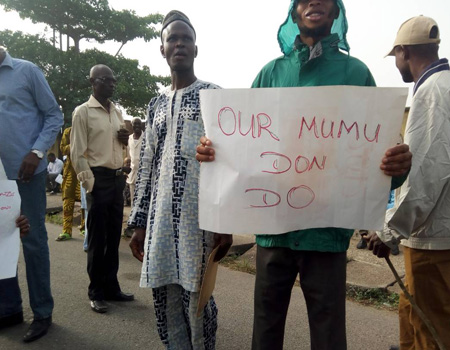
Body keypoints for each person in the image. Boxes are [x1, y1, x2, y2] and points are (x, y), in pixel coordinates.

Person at [196, 1, 412, 349]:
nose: (315, 2)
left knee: (328, 337)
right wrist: (212, 154)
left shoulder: (356, 75)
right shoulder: (270, 74)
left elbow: (381, 161)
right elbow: (240, 147)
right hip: (273, 234)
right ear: (294, 12)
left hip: (326, 236)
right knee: (265, 333)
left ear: (335, 11)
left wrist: (397, 169)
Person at [128, 10, 232, 350]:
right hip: (159, 226)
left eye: (186, 38)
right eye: (172, 38)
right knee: (164, 299)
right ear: (162, 49)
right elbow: (146, 167)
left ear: (195, 49)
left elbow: (230, 162)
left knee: (198, 300)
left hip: (197, 225)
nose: (179, 44)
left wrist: (224, 221)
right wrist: (139, 222)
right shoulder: (155, 105)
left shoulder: (214, 97)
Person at [367, 15, 450, 350]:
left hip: (433, 240)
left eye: (396, 57)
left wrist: (388, 231)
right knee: (415, 317)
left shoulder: (432, 91)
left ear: (403, 52)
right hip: (438, 234)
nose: (397, 64)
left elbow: (426, 172)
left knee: (431, 328)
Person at [0, 45, 63, 342]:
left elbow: (53, 115)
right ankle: (9, 309)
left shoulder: (27, 71)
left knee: (33, 241)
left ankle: (42, 313)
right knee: (2, 243)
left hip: (27, 174)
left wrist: (37, 152)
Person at [70, 64, 134, 314]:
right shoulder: (83, 112)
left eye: (113, 80)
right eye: (107, 80)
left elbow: (122, 142)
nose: (112, 84)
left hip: (117, 179)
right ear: (93, 82)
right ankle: (96, 291)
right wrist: (90, 183)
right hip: (99, 180)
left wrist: (124, 141)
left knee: (112, 237)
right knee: (97, 239)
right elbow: (77, 152)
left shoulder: (116, 111)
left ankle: (112, 287)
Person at [57, 126, 84, 241]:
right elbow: (63, 149)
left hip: (86, 168)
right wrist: (75, 145)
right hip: (70, 171)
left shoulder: (88, 129)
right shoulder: (68, 131)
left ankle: (84, 228)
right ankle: (66, 230)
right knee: (67, 200)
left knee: (85, 201)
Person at [123, 117, 143, 237]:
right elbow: (128, 155)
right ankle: (132, 224)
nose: (136, 126)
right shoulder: (129, 138)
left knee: (143, 199)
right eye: (134, 124)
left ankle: (141, 225)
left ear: (141, 126)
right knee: (133, 200)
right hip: (132, 174)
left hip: (143, 173)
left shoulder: (145, 137)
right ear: (131, 125)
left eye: (138, 124)